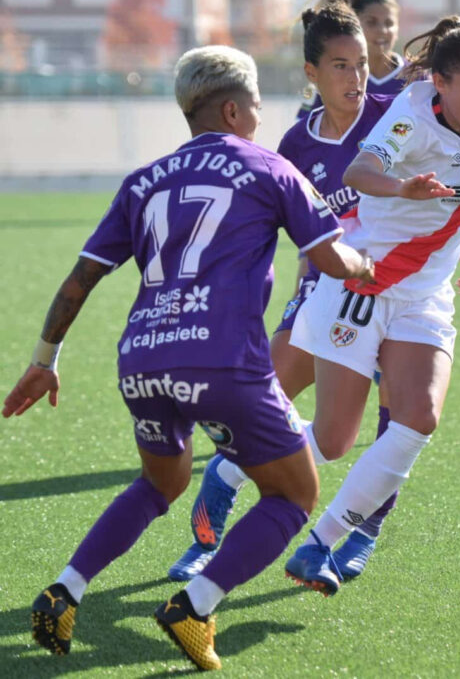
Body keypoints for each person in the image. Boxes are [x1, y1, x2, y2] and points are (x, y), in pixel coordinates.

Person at [3, 45, 373, 670]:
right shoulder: (269, 167)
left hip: (143, 360)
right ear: (233, 108)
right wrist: (369, 265)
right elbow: (335, 261)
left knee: (161, 481)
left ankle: (64, 591)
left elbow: (80, 279)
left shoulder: (143, 180)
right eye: (255, 104)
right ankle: (195, 604)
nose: (259, 114)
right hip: (223, 361)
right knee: (292, 497)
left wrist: (45, 357)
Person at [167, 2, 400, 584]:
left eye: (363, 64)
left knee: (398, 427)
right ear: (311, 73)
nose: (357, 78)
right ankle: (213, 512)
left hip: (399, 297)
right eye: (341, 66)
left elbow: (448, 180)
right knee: (260, 411)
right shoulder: (296, 145)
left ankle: (357, 535)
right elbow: (285, 227)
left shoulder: (396, 117)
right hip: (327, 291)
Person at [283, 15, 460, 596]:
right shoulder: (411, 116)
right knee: (334, 440)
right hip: (367, 277)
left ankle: (321, 544)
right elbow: (361, 171)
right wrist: (402, 187)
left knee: (419, 417)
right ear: (440, 82)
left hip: (425, 293)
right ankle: (237, 466)